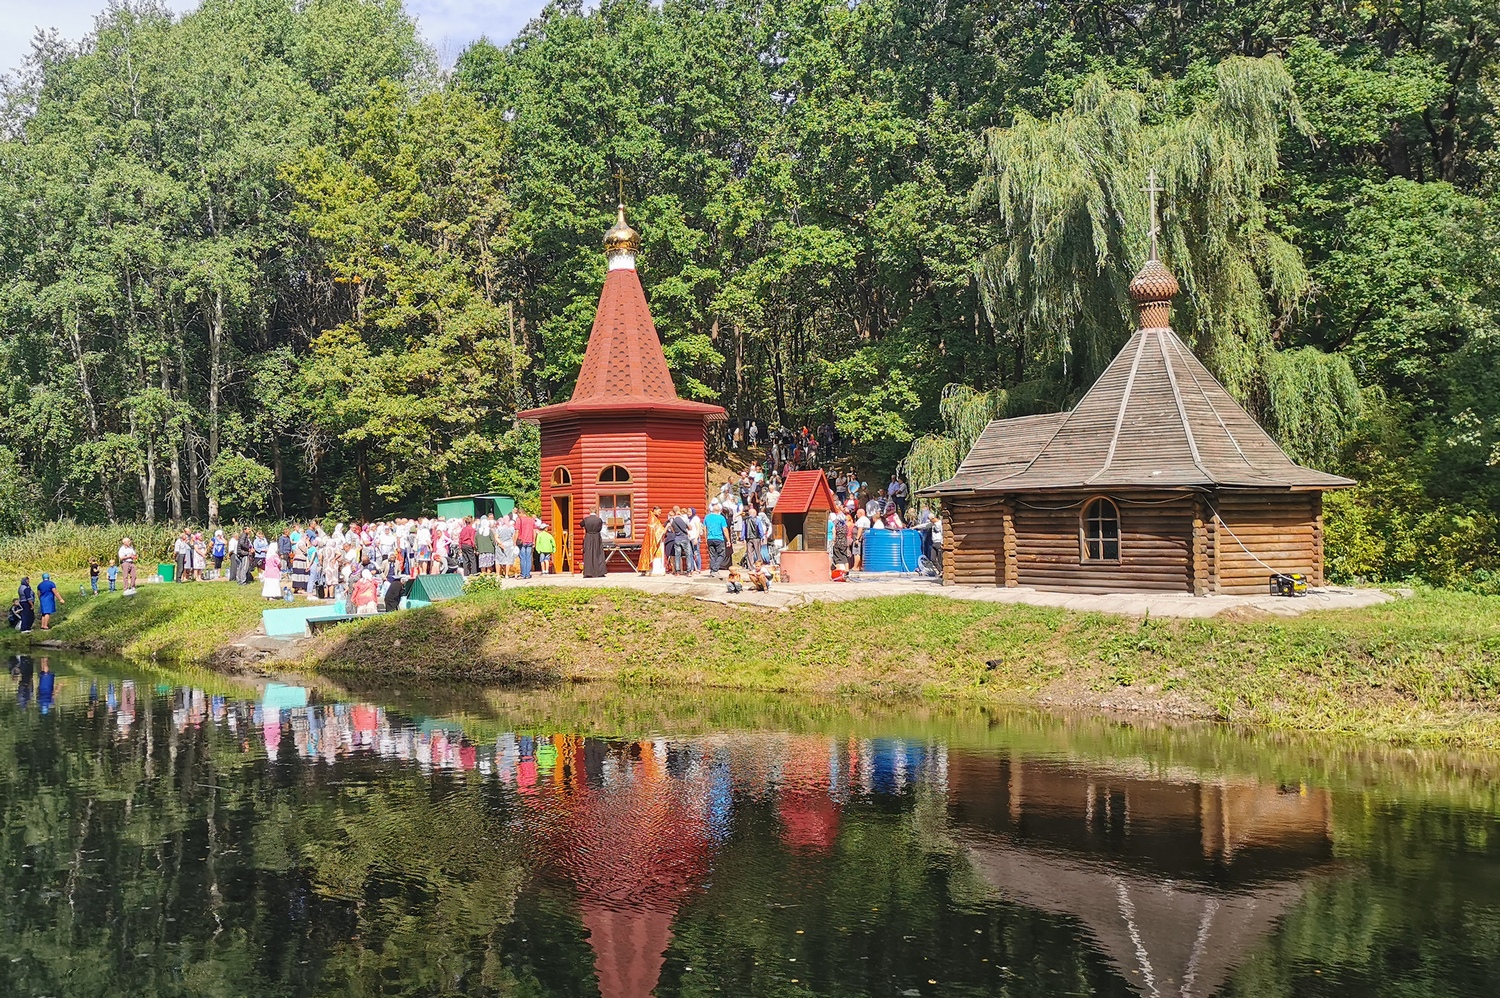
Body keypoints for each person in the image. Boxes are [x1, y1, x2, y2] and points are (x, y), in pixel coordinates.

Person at [704, 502, 729, 577]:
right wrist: (728, 540)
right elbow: (725, 529)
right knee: (722, 554)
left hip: (710, 538)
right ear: (719, 510)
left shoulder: (707, 517)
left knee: (712, 555)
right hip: (719, 538)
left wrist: (706, 538)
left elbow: (705, 529)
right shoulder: (721, 518)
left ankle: (712, 571)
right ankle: (715, 569)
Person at [638, 507, 664, 575]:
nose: (660, 513)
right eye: (659, 511)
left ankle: (647, 570)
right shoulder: (653, 519)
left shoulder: (652, 518)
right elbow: (661, 531)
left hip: (650, 539)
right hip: (653, 540)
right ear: (655, 510)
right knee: (653, 553)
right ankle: (652, 570)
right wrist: (666, 527)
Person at [582, 506, 606, 578]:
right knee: (598, 553)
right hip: (596, 537)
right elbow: (600, 528)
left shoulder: (586, 519)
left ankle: (588, 573)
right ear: (596, 511)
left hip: (588, 536)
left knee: (588, 554)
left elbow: (581, 524)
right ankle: (599, 572)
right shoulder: (599, 520)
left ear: (590, 511)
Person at [515, 511, 537, 579]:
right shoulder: (531, 520)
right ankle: (528, 574)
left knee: (522, 558)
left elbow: (517, 532)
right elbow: (535, 531)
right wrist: (534, 541)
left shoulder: (519, 520)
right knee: (528, 558)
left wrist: (514, 542)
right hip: (530, 541)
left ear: (520, 513)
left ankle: (523, 574)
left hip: (522, 541)